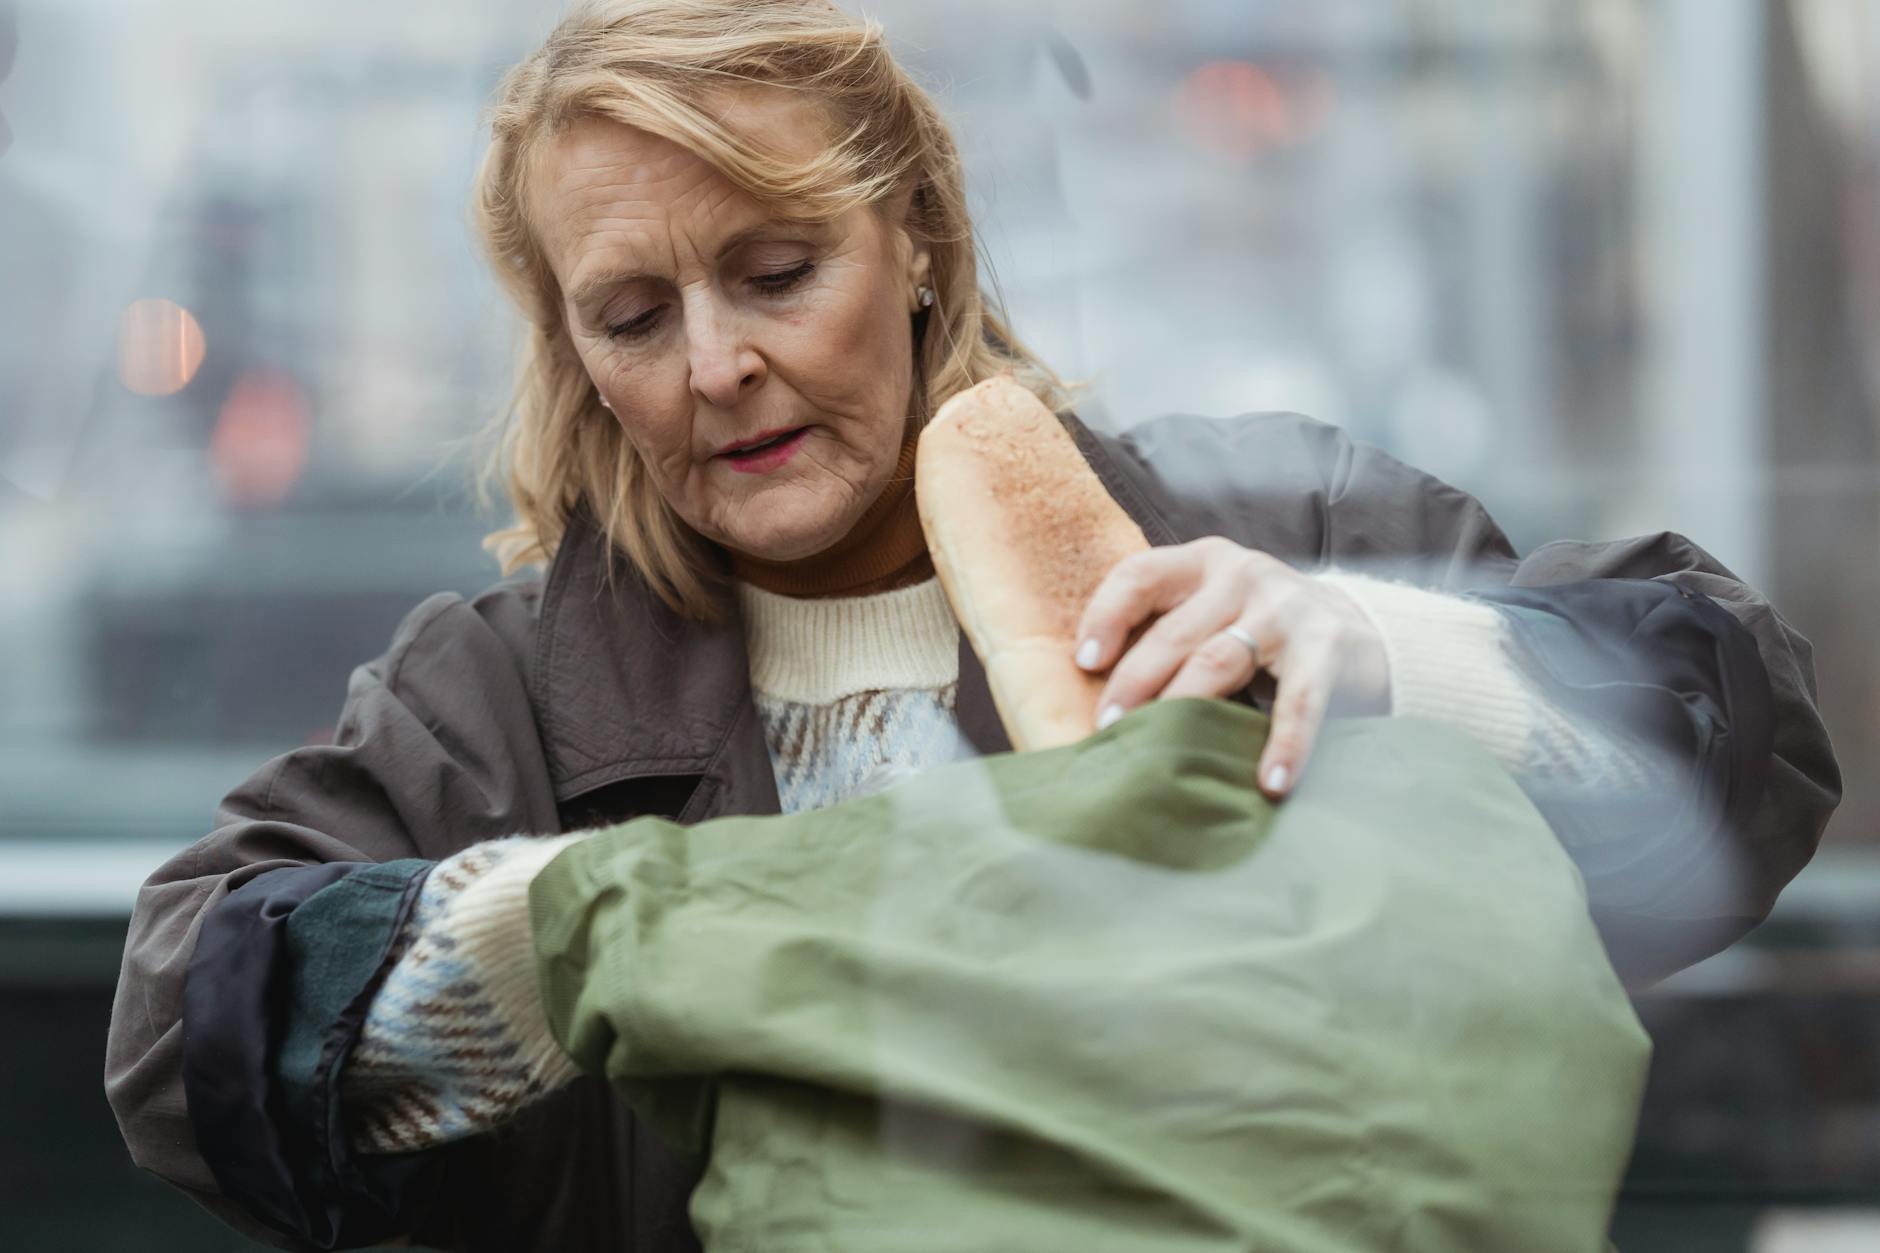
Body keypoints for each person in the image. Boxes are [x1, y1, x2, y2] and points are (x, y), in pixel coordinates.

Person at [103, 1, 1839, 1250]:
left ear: (918, 239)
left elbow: (1752, 757)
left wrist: (1391, 652)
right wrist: (555, 939)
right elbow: (181, 1038)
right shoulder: (507, 693)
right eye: (633, 316)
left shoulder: (1269, 534)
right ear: (579, 358)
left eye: (778, 273)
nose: (717, 365)